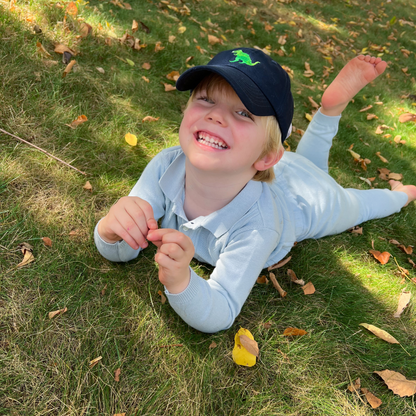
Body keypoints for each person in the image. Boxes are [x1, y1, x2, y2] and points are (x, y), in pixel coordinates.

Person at [94, 48, 416, 333]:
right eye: (206, 98)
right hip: (279, 167)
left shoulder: (258, 226)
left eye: (243, 112)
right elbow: (125, 246)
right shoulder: (166, 165)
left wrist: (182, 283)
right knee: (308, 162)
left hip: (305, 202)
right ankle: (330, 110)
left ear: (265, 156)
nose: (215, 115)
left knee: (355, 204)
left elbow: (221, 310)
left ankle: (400, 194)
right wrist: (110, 232)